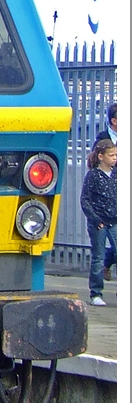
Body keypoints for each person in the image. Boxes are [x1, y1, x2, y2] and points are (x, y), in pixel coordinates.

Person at [79, 139, 117, 306]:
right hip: (99, 222)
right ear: (101, 156)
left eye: (116, 155)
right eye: (111, 155)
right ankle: (96, 293)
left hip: (115, 220)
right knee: (98, 257)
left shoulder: (117, 174)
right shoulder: (93, 175)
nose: (115, 158)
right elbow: (85, 200)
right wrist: (95, 219)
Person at [94, 102, 117, 279]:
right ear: (114, 120)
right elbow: (95, 161)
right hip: (106, 200)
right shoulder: (102, 138)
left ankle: (107, 264)